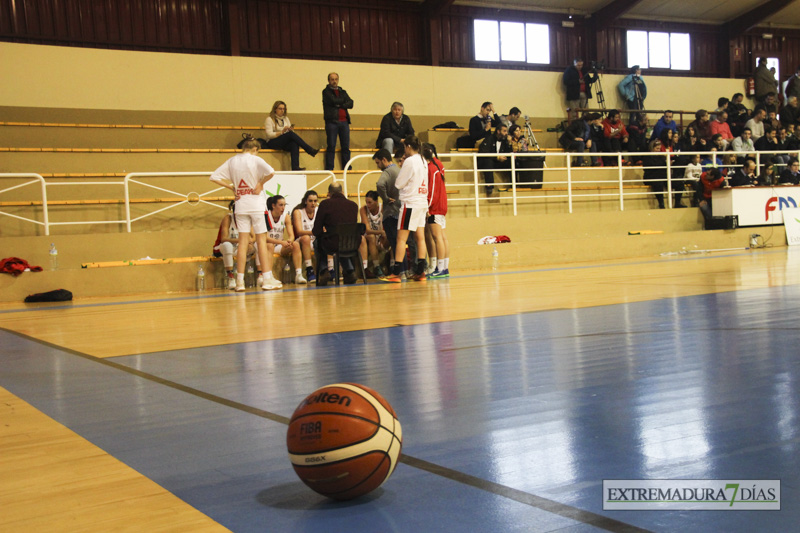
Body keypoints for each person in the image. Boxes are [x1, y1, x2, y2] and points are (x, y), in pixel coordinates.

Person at [209, 135, 279, 291]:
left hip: (240, 205)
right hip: (256, 203)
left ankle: (239, 282)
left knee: (242, 242)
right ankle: (267, 278)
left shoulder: (232, 160)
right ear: (255, 149)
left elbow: (213, 177)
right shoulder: (255, 159)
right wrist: (260, 183)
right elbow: (271, 172)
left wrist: (232, 188)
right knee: (261, 241)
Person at [381, 135, 429, 282]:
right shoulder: (423, 160)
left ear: (408, 146)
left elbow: (399, 183)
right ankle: (421, 272)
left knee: (401, 239)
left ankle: (395, 273)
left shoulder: (409, 161)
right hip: (422, 202)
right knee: (420, 237)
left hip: (410, 203)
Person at [312, 183, 360, 286]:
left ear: (328, 194)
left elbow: (316, 230)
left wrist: (322, 235)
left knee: (318, 242)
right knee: (341, 240)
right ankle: (350, 271)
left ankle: (324, 271)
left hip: (333, 243)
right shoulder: (353, 205)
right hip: (352, 243)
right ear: (342, 192)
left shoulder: (325, 204)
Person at [373, 148, 405, 275]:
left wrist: (385, 198)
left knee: (395, 244)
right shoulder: (399, 170)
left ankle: (398, 272)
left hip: (391, 212)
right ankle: (405, 270)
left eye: (378, 163)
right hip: (401, 210)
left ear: (384, 160)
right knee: (402, 243)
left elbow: (380, 184)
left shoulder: (387, 171)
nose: (378, 166)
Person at [264, 100, 318, 171]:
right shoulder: (269, 119)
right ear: (275, 109)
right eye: (280, 109)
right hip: (272, 142)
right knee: (290, 134)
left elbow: (291, 134)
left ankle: (295, 167)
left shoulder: (286, 119)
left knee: (294, 143)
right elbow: (269, 135)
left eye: (283, 109)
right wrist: (282, 132)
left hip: (284, 140)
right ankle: (309, 149)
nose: (282, 111)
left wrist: (290, 130)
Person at [212, 200, 254, 290]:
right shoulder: (228, 218)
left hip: (238, 247)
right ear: (235, 212)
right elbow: (223, 239)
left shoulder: (246, 220)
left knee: (256, 246)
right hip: (222, 247)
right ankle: (230, 277)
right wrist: (242, 240)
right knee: (227, 245)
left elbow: (254, 237)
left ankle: (260, 275)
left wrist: (249, 242)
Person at [265, 195, 306, 284]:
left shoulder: (285, 216)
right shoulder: (266, 216)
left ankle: (298, 275)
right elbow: (265, 238)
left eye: (284, 205)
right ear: (273, 206)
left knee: (295, 244)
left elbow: (291, 236)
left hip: (279, 245)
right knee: (270, 245)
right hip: (268, 245)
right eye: (280, 205)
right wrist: (281, 242)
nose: (283, 208)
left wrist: (289, 241)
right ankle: (269, 275)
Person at [423, 143, 449, 279]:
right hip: (442, 205)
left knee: (437, 237)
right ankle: (444, 267)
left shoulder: (431, 168)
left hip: (435, 207)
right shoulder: (439, 164)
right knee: (443, 237)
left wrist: (427, 206)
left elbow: (432, 190)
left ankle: (440, 268)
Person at [322, 72, 354, 171]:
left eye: (336, 79)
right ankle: (330, 168)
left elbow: (351, 103)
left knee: (345, 146)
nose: (334, 81)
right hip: (332, 122)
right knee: (331, 145)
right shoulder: (326, 91)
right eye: (332, 79)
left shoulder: (342, 91)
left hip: (344, 122)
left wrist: (340, 104)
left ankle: (347, 167)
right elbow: (333, 101)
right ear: (328, 80)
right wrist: (343, 102)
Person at [291, 190, 319, 282]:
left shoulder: (319, 210)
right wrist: (315, 232)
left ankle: (331, 269)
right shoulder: (298, 212)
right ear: (305, 201)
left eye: (315, 201)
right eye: (310, 201)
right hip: (301, 241)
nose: (313, 203)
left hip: (315, 241)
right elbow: (299, 231)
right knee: (306, 238)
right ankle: (309, 269)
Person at [358, 190, 386, 278]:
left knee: (393, 236)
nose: (368, 205)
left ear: (376, 202)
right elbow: (366, 230)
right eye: (366, 202)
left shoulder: (383, 208)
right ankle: (376, 266)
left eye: (370, 202)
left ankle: (393, 265)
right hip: (372, 237)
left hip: (383, 237)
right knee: (371, 236)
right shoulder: (363, 209)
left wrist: (383, 234)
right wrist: (380, 232)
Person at [478, 123, 512, 195]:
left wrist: (509, 144)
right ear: (498, 131)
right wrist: (497, 157)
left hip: (498, 162)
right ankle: (489, 186)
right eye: (504, 131)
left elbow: (508, 153)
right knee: (488, 162)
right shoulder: (489, 139)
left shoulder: (504, 141)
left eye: (507, 131)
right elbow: (484, 153)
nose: (506, 133)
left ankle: (515, 184)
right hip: (486, 161)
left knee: (513, 161)